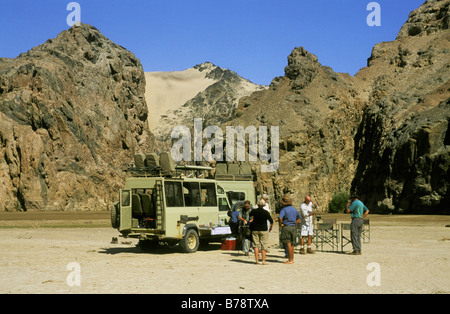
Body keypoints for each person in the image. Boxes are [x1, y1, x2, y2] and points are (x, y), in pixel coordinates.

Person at [249, 198, 274, 265]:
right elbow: (271, 221)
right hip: (263, 229)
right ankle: (263, 261)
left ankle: (257, 260)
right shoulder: (266, 212)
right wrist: (270, 228)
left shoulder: (254, 211)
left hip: (255, 229)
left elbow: (250, 216)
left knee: (255, 245)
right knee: (264, 245)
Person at [278, 196, 301, 264]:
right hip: (293, 227)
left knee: (288, 243)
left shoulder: (284, 210)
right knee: (292, 243)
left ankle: (290, 259)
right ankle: (292, 259)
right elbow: (299, 218)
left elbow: (280, 218)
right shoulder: (294, 209)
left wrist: (280, 224)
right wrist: (295, 223)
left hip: (286, 226)